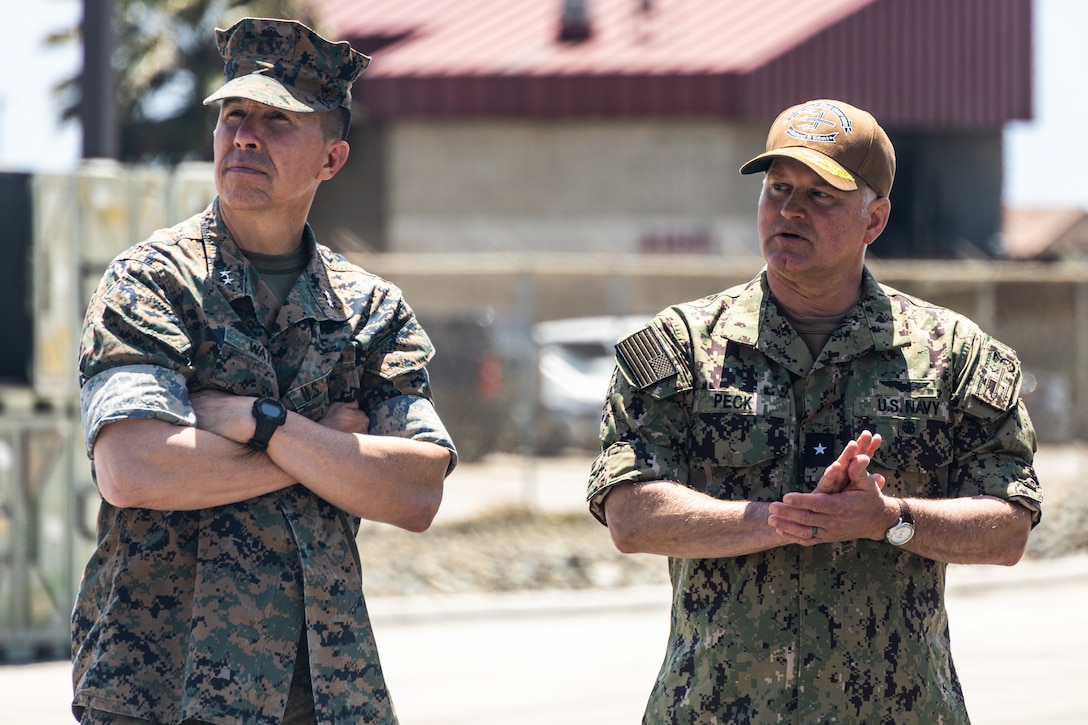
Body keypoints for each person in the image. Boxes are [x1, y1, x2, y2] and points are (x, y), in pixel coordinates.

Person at [587, 98, 1043, 723]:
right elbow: (631, 516)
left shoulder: (953, 355)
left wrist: (888, 518)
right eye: (778, 188)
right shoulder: (682, 349)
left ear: (874, 219)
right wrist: (783, 520)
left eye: (822, 194)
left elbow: (1008, 528)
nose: (790, 210)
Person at [72, 18, 456, 725]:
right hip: (161, 689)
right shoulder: (154, 284)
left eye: (277, 121)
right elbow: (134, 469)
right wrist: (322, 450)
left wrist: (260, 423)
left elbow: (416, 490)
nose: (245, 135)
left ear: (332, 159)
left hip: (326, 695)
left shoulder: (371, 310)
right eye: (234, 116)